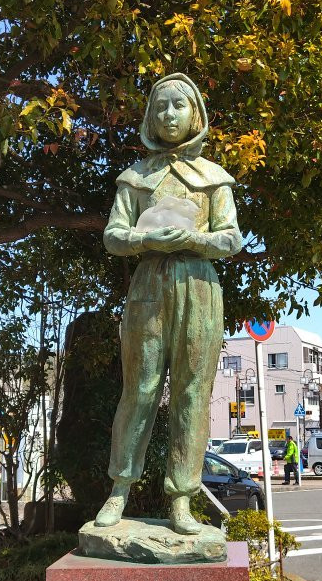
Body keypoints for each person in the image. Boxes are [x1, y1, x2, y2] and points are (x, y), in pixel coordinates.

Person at [94, 73, 242, 534]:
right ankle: (119, 490)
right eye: (160, 107)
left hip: (200, 288)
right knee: (139, 388)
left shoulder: (214, 178)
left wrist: (196, 239)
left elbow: (232, 237)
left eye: (178, 106)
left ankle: (182, 498)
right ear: (149, 118)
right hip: (148, 288)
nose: (169, 115)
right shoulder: (135, 178)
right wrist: (145, 237)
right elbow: (114, 235)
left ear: (195, 113)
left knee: (192, 395)